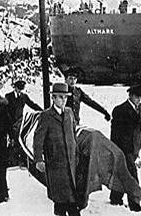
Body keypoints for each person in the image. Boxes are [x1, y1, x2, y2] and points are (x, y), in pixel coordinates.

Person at [33, 83, 81, 216]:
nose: (63, 100)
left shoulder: (70, 113)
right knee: (60, 202)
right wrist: (38, 159)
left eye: (65, 97)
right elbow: (38, 140)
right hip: (56, 165)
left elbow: (73, 134)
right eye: (60, 97)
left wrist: (76, 154)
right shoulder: (46, 116)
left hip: (70, 164)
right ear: (53, 98)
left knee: (72, 201)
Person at [109, 85, 141, 212]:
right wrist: (115, 150)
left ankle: (115, 197)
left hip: (135, 148)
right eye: (136, 97)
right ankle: (134, 204)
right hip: (122, 149)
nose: (138, 100)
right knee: (132, 176)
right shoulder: (120, 110)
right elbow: (114, 133)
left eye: (140, 97)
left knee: (121, 173)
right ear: (130, 95)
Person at [5, 80, 42, 167]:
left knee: (19, 139)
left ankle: (19, 160)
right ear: (15, 87)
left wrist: (43, 111)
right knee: (12, 140)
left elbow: (32, 104)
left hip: (20, 122)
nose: (20, 91)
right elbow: (6, 110)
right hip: (10, 121)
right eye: (19, 89)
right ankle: (11, 160)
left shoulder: (24, 96)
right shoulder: (8, 96)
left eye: (21, 89)